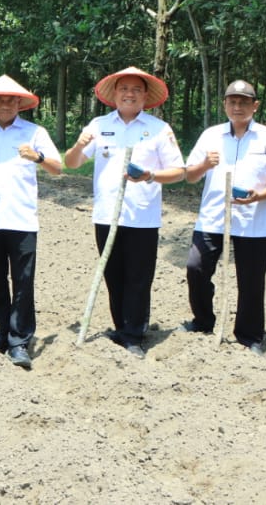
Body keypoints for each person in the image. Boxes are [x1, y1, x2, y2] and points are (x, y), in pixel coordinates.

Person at [64, 66, 185, 358]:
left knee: (138, 278)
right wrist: (77, 147)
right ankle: (120, 327)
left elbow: (179, 171)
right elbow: (72, 163)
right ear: (114, 95)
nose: (129, 94)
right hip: (106, 215)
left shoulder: (158, 129)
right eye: (124, 89)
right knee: (113, 274)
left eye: (136, 90)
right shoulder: (97, 125)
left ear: (145, 96)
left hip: (142, 217)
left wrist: (149, 176)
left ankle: (134, 334)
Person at [181, 80, 266, 354]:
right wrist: (205, 164)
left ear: (255, 105)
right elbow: (190, 176)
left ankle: (249, 335)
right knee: (196, 268)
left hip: (254, 221)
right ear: (225, 105)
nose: (238, 106)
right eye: (232, 101)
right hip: (212, 218)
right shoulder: (211, 136)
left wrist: (259, 195)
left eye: (244, 102)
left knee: (251, 280)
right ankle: (203, 320)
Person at [0, 75, 62, 370]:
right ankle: (3, 332)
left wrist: (38, 156)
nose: (5, 104)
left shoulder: (34, 133)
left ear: (19, 103)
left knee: (23, 282)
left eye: (11, 99)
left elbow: (58, 167)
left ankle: (19, 341)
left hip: (22, 219)